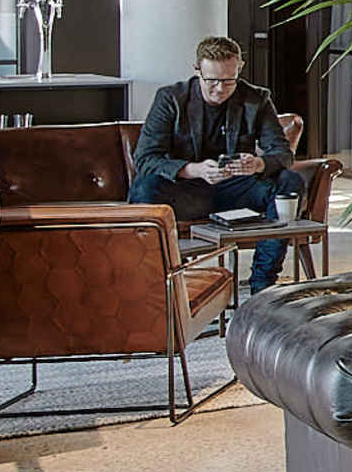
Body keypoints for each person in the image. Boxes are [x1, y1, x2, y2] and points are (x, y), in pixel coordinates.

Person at [133, 36, 316, 288]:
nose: (220, 89)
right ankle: (150, 281)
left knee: (289, 182)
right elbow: (145, 159)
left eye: (229, 80)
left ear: (239, 68)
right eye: (212, 81)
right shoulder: (171, 98)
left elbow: (282, 153)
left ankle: (262, 284)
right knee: (145, 187)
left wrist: (258, 164)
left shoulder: (256, 99)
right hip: (188, 190)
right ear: (197, 70)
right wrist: (193, 170)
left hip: (236, 188)